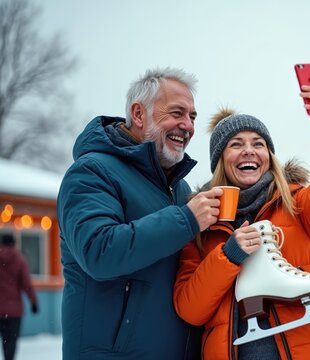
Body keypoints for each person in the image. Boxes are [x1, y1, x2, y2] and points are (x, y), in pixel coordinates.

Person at [173, 75, 310, 359]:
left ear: (269, 156)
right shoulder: (201, 223)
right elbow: (190, 309)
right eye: (236, 144)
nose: (249, 150)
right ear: (220, 160)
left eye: (258, 143)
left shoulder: (296, 205)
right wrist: (228, 255)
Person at [57, 67, 224, 360]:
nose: (187, 126)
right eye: (177, 113)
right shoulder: (91, 172)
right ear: (138, 114)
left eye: (192, 117)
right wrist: (186, 220)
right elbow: (99, 252)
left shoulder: (180, 189)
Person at [0, 233, 39, 360]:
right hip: (14, 311)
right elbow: (26, 284)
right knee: (11, 341)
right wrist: (33, 302)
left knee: (5, 339)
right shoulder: (19, 259)